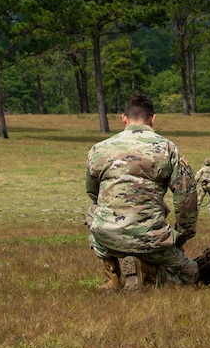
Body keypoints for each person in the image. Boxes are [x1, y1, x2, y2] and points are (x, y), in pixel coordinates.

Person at [85, 93, 199, 291]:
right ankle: (148, 273)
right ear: (153, 120)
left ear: (123, 118)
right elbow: (186, 196)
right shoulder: (167, 149)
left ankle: (111, 274)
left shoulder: (98, 149)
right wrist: (181, 236)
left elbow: (93, 193)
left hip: (107, 238)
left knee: (93, 211)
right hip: (151, 240)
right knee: (192, 275)